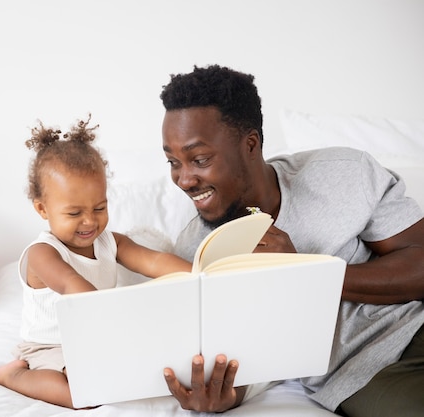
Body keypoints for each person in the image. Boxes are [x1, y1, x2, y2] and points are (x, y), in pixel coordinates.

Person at [158, 64, 424, 416]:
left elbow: (419, 259)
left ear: (250, 144)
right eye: (173, 162)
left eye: (200, 159)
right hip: (364, 374)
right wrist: (225, 397)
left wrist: (307, 273)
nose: (184, 179)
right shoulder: (194, 253)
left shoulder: (343, 172)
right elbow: (243, 358)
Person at [0, 115, 191, 409]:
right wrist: (115, 319)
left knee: (126, 372)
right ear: (43, 209)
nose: (89, 221)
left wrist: (198, 273)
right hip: (50, 346)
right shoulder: (42, 253)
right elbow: (72, 286)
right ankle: (15, 375)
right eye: (74, 213)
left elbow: (154, 261)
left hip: (95, 334)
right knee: (84, 396)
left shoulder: (110, 242)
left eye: (99, 207)